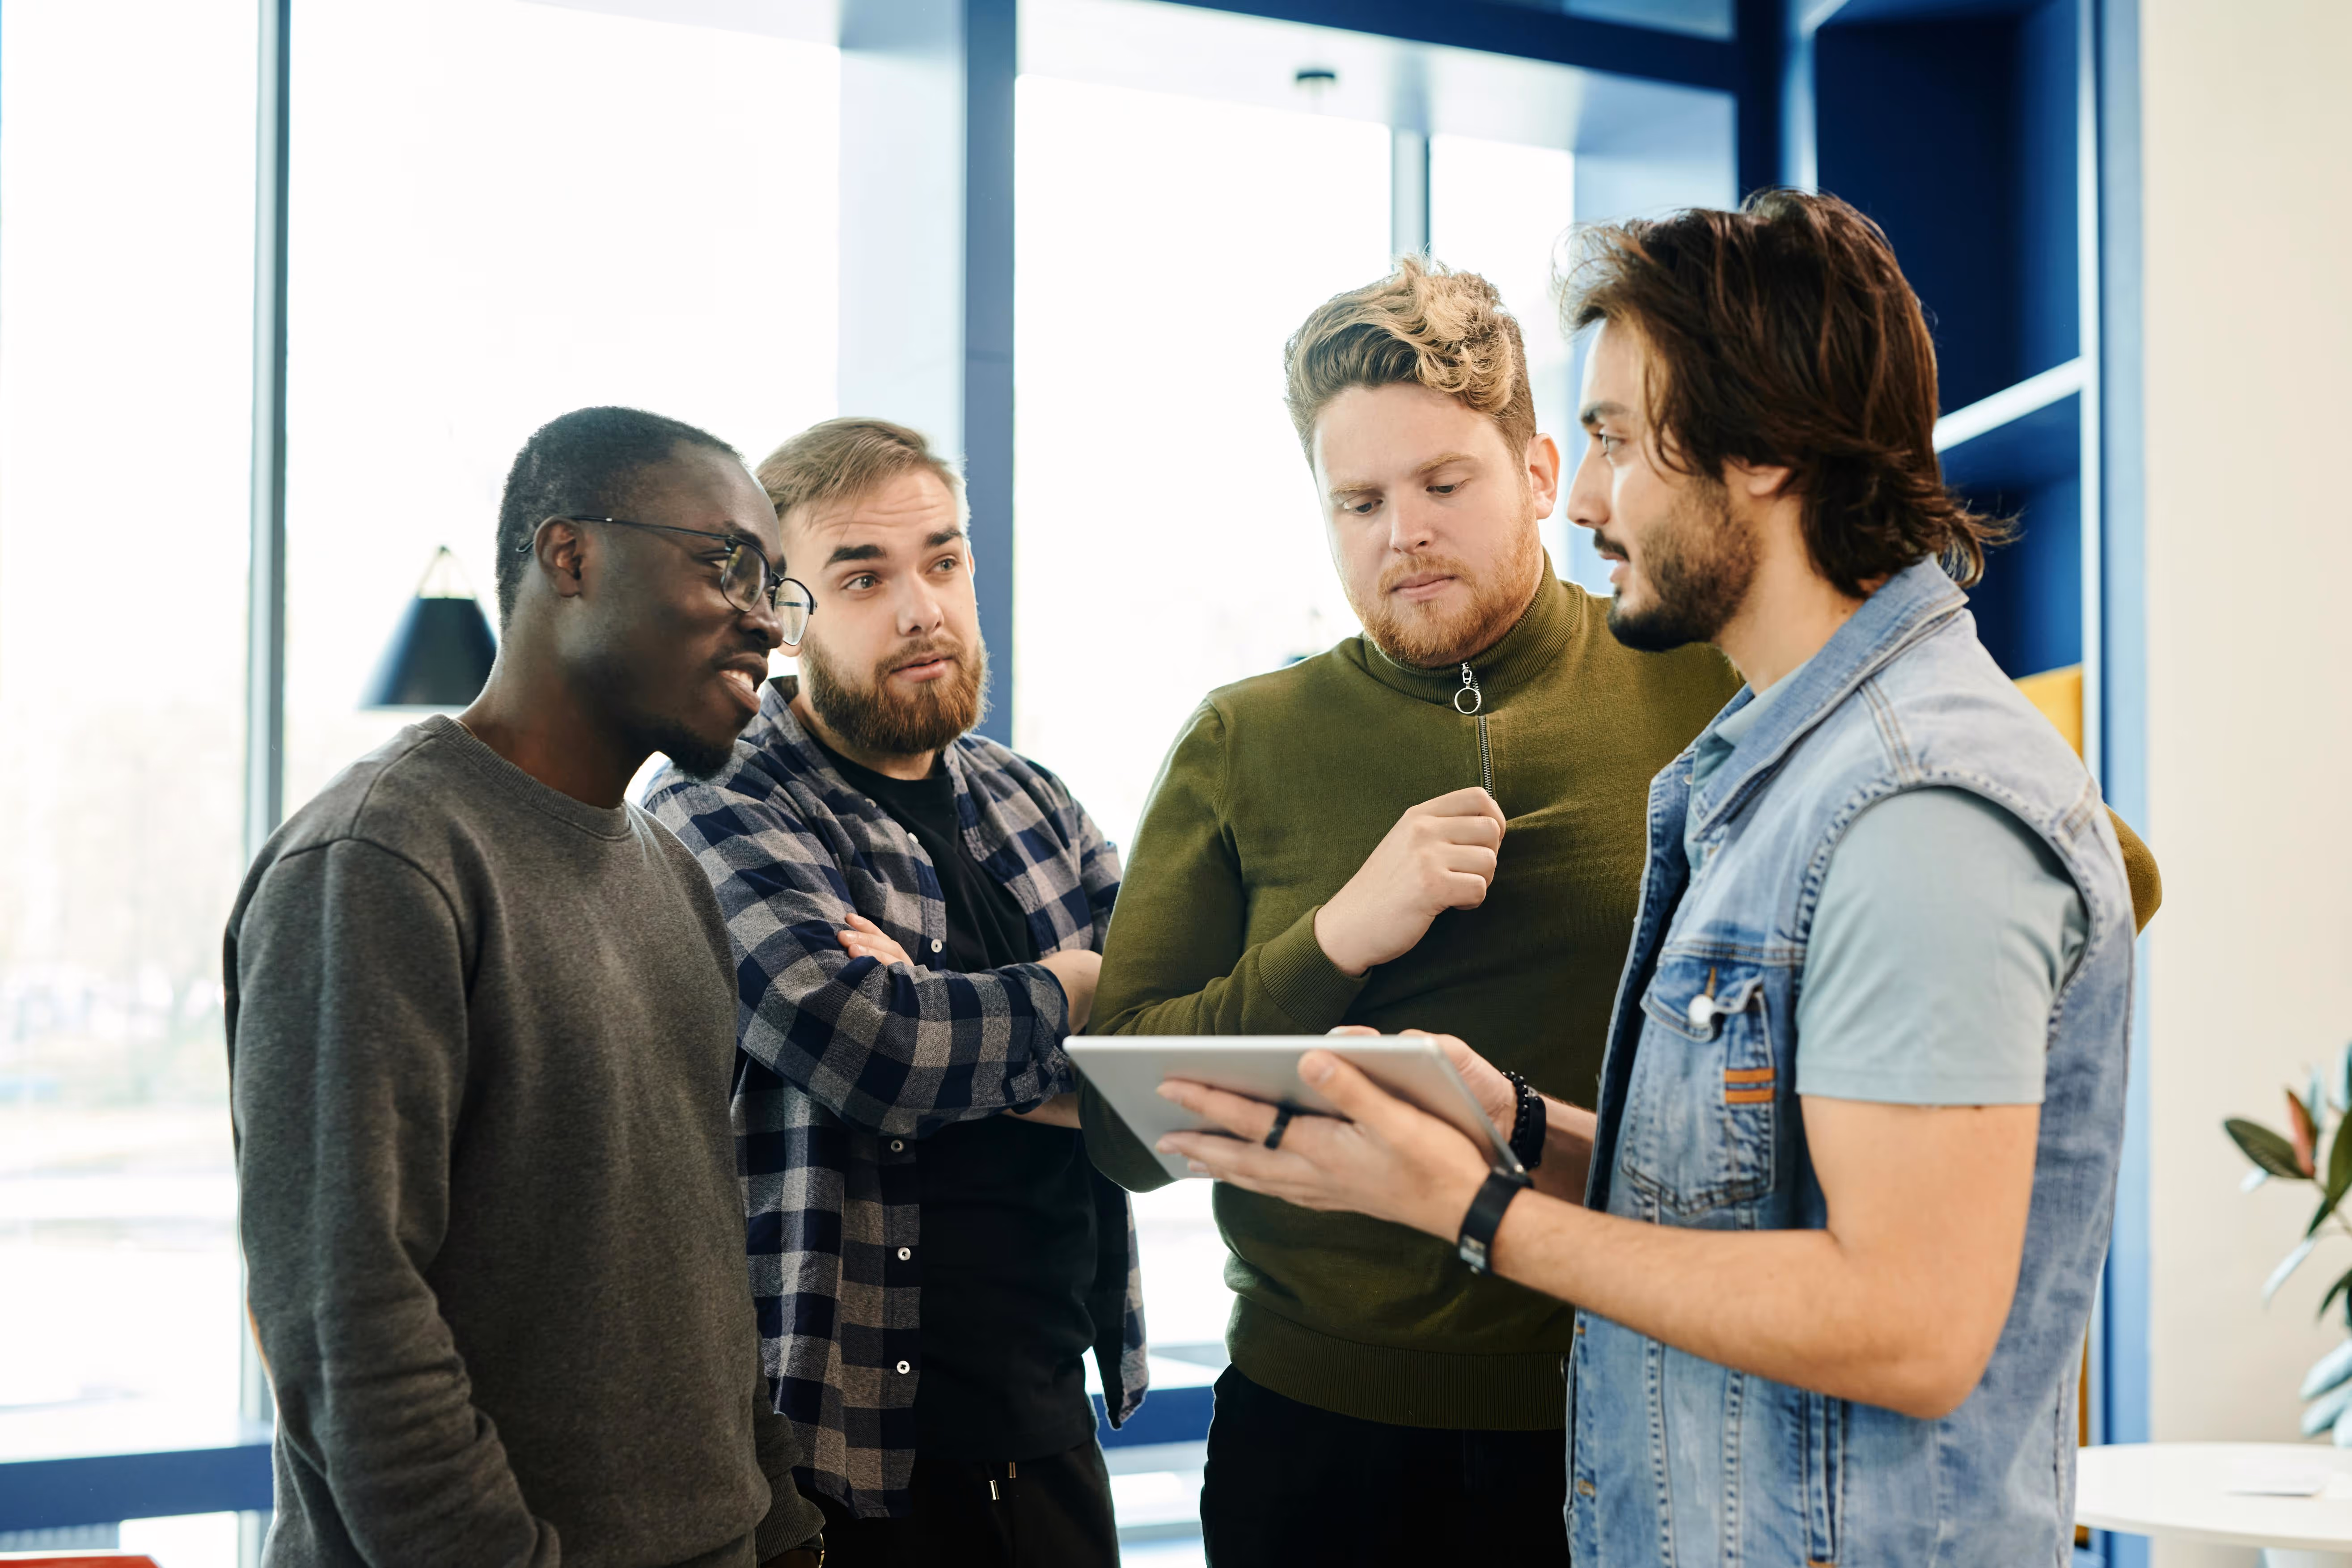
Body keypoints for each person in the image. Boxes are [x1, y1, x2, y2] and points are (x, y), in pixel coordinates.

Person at [1079, 257, 2160, 1564]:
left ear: (1534, 475)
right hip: (1321, 1436)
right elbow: (1122, 1133)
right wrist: (1338, 940)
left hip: (1651, 1409)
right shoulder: (1243, 740)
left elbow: (2071, 868)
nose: (1400, 533)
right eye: (1355, 500)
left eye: (1442, 484)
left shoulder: (1726, 675)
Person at [225, 406, 825, 1567]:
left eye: (778, 589)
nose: (766, 622)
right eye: (729, 564)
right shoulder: (381, 859)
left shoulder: (675, 882)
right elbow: (348, 1322)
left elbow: (706, 1268)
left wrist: (782, 1530)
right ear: (572, 556)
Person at [646, 417, 1140, 1568]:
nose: (923, 607)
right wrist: (1071, 986)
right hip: (837, 1461)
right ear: (779, 616)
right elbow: (870, 1049)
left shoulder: (1036, 803)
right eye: (865, 577)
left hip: (1048, 1425)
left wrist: (945, 1008)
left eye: (944, 560)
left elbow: (1174, 1048)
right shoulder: (718, 804)